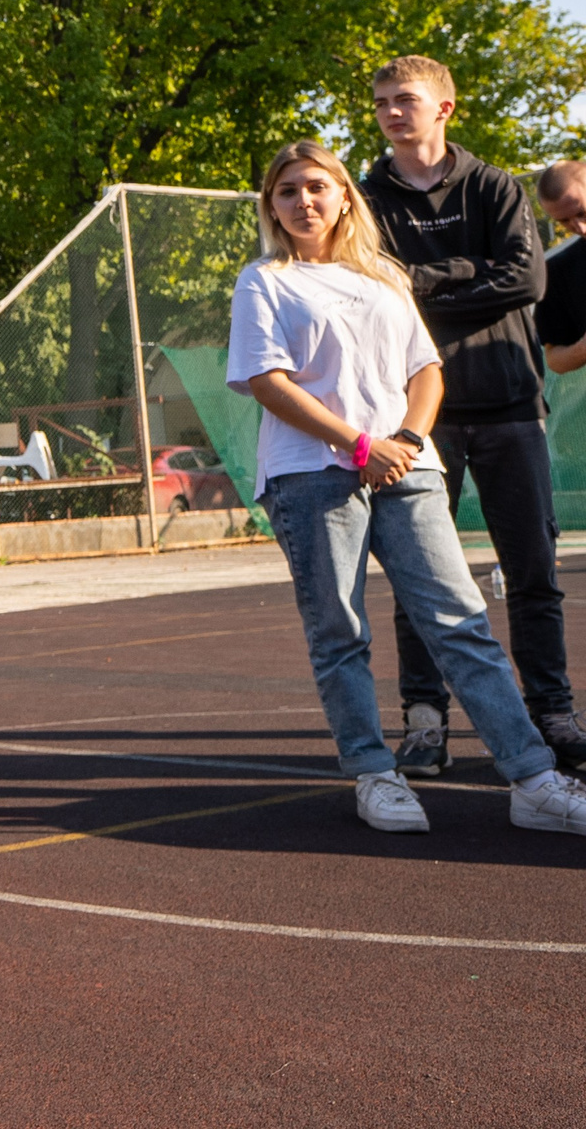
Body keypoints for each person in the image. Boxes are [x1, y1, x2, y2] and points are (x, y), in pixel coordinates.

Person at [228, 140, 586, 837]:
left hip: (407, 469)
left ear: (343, 197)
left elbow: (426, 370)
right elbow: (268, 381)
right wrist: (358, 444)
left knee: (461, 621)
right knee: (341, 631)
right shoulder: (264, 281)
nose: (304, 201)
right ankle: (374, 771)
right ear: (272, 205)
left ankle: (533, 778)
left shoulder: (383, 275)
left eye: (317, 187)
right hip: (311, 475)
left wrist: (408, 443)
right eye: (287, 191)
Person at [360, 57, 582, 775]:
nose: (394, 112)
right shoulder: (366, 198)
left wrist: (424, 282)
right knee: (420, 580)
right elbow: (374, 288)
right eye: (383, 102)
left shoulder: (494, 186)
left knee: (533, 572)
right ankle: (425, 721)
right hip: (415, 417)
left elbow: (527, 278)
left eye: (408, 100)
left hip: (511, 402)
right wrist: (470, 274)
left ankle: (553, 713)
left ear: (445, 108)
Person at [531, 160, 586, 376]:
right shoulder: (558, 270)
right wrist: (582, 349)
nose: (579, 227)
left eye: (582, 212)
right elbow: (554, 359)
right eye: (564, 221)